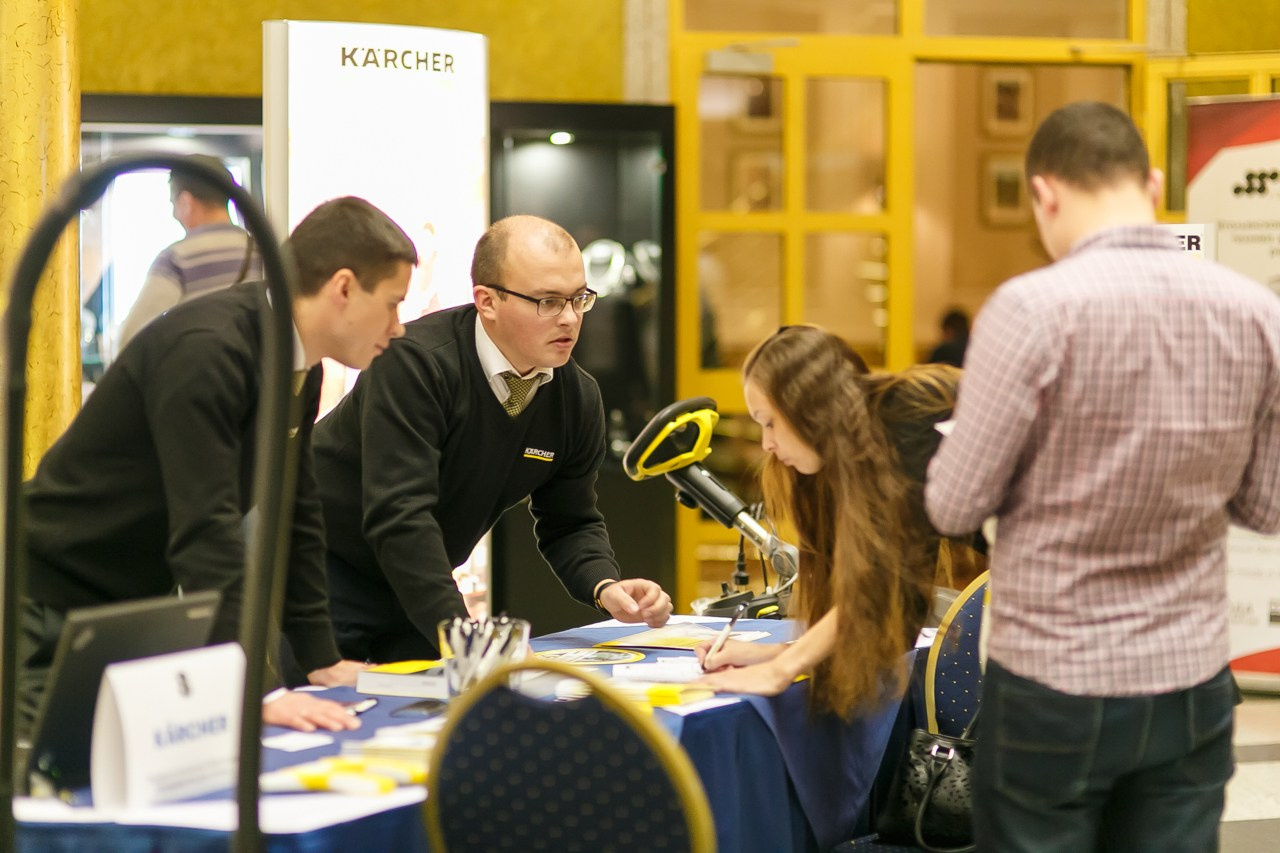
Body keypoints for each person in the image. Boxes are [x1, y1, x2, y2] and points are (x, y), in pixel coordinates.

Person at [925, 101, 1280, 853]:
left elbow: (954, 502)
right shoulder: (1255, 312)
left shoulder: (1029, 310)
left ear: (1044, 194)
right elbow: (1268, 504)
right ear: (1153, 184)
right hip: (1190, 683)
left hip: (1053, 682)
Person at [21, 196, 418, 733]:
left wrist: (320, 657)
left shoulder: (302, 365)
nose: (398, 327)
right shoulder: (208, 350)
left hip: (131, 603)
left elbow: (295, 512)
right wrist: (255, 684)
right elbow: (206, 531)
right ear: (343, 287)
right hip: (44, 593)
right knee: (39, 781)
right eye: (393, 303)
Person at [313, 214, 673, 663]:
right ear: (487, 301)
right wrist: (465, 638)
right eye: (548, 301)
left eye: (580, 299)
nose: (569, 319)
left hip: (417, 585)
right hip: (319, 571)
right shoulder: (415, 365)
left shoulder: (576, 397)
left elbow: (570, 520)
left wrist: (606, 585)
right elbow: (401, 516)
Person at [696, 325, 982, 718]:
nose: (767, 445)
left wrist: (783, 669)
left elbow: (877, 586)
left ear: (808, 408)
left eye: (769, 422)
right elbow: (900, 610)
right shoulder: (862, 450)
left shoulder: (905, 420)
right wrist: (778, 654)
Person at [118, 154, 262, 349]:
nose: (174, 214)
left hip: (205, 374)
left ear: (186, 202)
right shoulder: (261, 252)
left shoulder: (177, 259)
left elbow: (131, 337)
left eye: (173, 204)